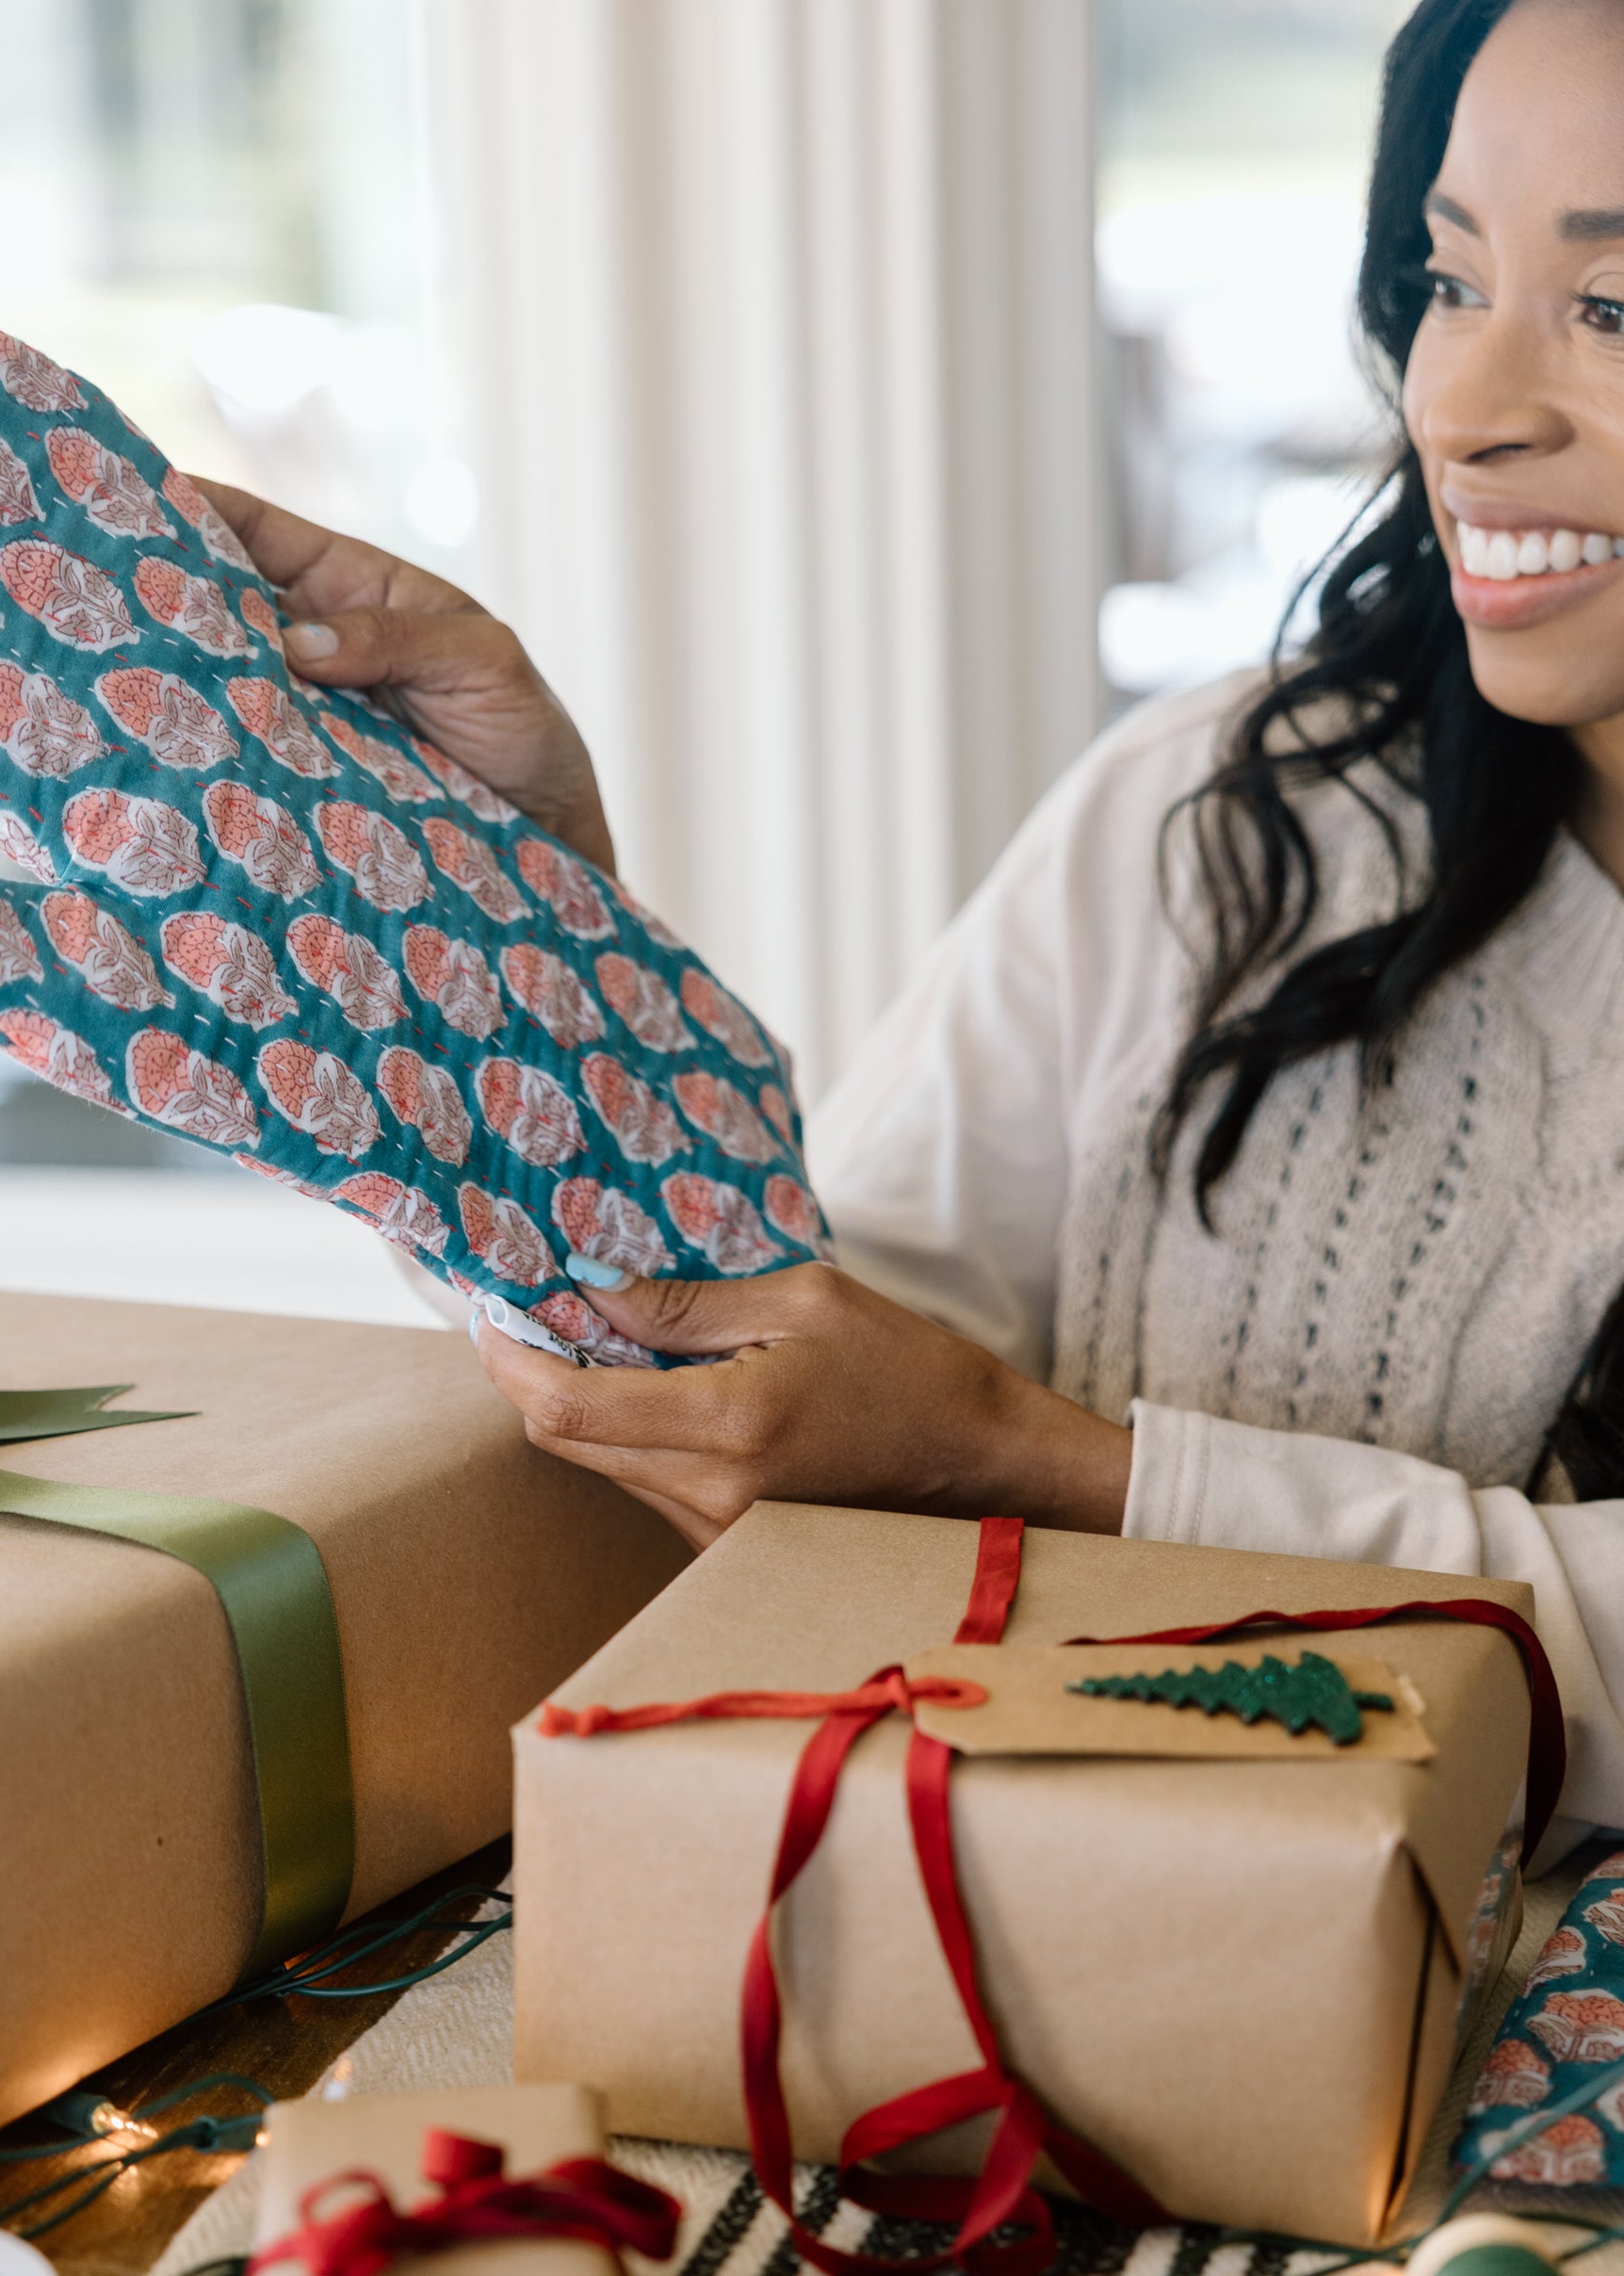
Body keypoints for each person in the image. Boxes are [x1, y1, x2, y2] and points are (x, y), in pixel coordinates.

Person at [216, 0, 1624, 1844]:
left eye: (1608, 309)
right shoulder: (1222, 814)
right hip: (1027, 1999)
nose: (1461, 405)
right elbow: (790, 1384)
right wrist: (531, 934)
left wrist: (1037, 1468)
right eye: (1445, 281)